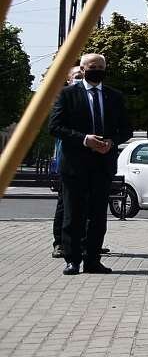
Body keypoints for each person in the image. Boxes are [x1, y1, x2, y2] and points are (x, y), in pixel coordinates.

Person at [47, 53, 131, 276]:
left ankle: (92, 260)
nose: (98, 70)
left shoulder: (114, 96)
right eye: (93, 67)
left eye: (101, 67)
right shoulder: (67, 95)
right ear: (83, 70)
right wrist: (85, 140)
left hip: (102, 165)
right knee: (73, 214)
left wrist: (112, 141)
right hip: (75, 165)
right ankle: (72, 259)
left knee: (97, 215)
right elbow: (55, 126)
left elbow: (126, 129)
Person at [50, 64, 83, 258]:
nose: (81, 78)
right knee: (65, 203)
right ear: (69, 79)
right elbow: (56, 127)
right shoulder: (64, 97)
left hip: (88, 159)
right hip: (68, 159)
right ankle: (60, 243)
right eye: (77, 75)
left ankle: (85, 242)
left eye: (82, 75)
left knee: (86, 204)